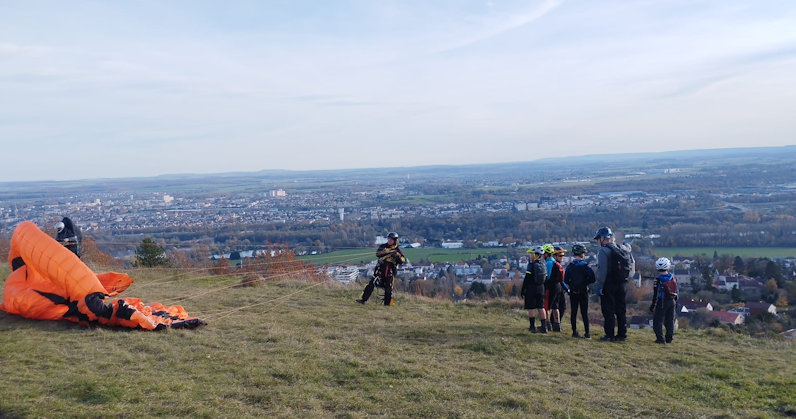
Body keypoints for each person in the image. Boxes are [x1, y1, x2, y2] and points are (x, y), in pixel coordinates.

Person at [594, 226, 632, 342]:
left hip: (609, 284)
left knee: (608, 310)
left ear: (603, 239)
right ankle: (622, 335)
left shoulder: (603, 251)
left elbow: (602, 271)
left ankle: (609, 334)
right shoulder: (622, 248)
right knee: (621, 310)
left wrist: (599, 286)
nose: (598, 242)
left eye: (598, 239)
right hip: (622, 283)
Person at [356, 232, 405, 306]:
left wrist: (397, 256)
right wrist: (386, 252)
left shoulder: (398, 250)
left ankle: (387, 304)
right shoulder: (383, 246)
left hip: (390, 271)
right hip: (380, 269)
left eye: (391, 239)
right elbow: (378, 254)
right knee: (371, 283)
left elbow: (402, 260)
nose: (389, 240)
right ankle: (363, 299)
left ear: (395, 240)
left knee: (388, 287)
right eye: (388, 239)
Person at [565, 244, 596, 338]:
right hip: (583, 292)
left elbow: (566, 280)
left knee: (573, 312)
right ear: (582, 254)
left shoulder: (570, 266)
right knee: (584, 313)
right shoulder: (586, 266)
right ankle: (587, 333)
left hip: (573, 292)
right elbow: (593, 279)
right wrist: (584, 283)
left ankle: (574, 332)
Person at [650, 257, 678, 344]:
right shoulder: (672, 277)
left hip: (662, 301)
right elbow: (676, 291)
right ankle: (669, 338)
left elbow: (655, 294)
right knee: (670, 320)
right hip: (672, 300)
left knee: (657, 321)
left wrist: (653, 305)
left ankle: (660, 339)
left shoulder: (658, 279)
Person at [521, 245, 548, 333]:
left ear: (536, 255)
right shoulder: (543, 264)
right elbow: (546, 277)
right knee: (541, 307)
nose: (530, 256)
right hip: (541, 288)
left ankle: (532, 327)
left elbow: (527, 278)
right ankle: (544, 327)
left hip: (531, 288)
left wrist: (523, 289)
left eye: (531, 254)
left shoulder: (531, 265)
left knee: (531, 307)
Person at [544, 246, 567, 332]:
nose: (562, 257)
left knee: (547, 307)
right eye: (560, 255)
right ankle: (557, 325)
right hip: (558, 287)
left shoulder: (549, 263)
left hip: (551, 287)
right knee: (555, 307)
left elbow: (548, 276)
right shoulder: (557, 264)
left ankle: (547, 325)